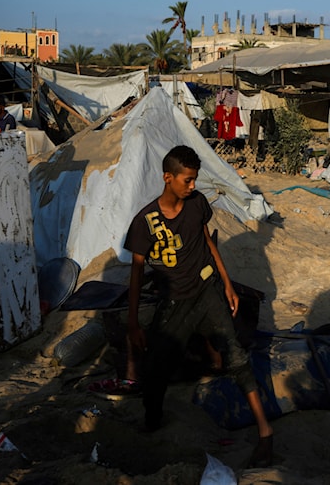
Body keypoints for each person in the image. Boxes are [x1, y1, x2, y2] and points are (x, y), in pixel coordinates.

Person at [124, 145, 273, 468]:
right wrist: (133, 322)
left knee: (236, 357)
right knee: (155, 370)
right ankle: (152, 422)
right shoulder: (145, 222)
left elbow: (208, 244)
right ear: (168, 178)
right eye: (188, 181)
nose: (193, 187)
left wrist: (229, 286)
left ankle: (265, 432)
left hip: (207, 293)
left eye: (195, 181)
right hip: (173, 303)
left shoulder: (197, 205)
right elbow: (136, 272)